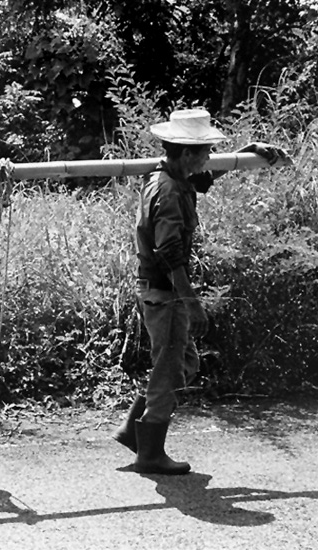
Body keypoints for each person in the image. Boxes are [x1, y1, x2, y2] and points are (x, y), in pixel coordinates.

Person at [112, 108, 287, 475]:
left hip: (158, 289)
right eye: (205, 151)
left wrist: (247, 150)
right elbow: (169, 253)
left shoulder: (168, 176)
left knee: (181, 364)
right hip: (165, 291)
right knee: (171, 366)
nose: (208, 158)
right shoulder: (169, 191)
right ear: (187, 153)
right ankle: (150, 454)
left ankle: (134, 429)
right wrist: (192, 303)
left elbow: (202, 179)